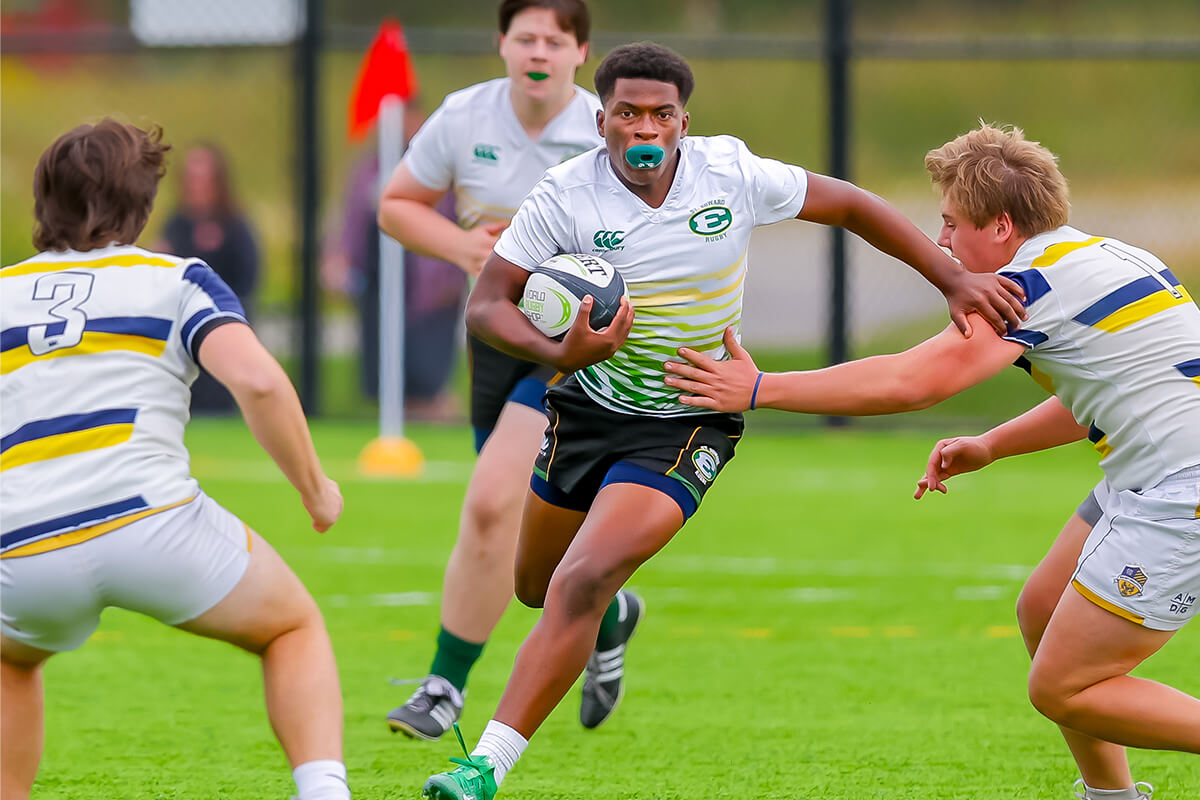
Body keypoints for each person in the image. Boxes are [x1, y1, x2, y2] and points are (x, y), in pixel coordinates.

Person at [419, 44, 1026, 800]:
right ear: (601, 118)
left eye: (662, 114)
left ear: (683, 120)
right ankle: (610, 621)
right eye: (630, 114)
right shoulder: (564, 195)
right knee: (538, 588)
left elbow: (848, 204)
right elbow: (486, 305)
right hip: (587, 405)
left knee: (580, 577)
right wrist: (559, 349)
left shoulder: (728, 174)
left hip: (692, 413)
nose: (647, 129)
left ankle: (483, 767)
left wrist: (953, 277)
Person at [664, 123, 1200, 800]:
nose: (941, 243)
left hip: (1178, 491)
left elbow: (911, 381)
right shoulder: (1107, 256)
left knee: (1064, 688)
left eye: (951, 224)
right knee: (1041, 607)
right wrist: (992, 443)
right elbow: (1110, 393)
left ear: (1001, 226)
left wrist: (762, 388)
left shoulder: (1029, 286)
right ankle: (1110, 797)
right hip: (1155, 470)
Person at [0, 120, 350, 800]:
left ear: (44, 202)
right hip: (150, 521)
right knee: (292, 626)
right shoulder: (176, 279)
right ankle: (324, 793)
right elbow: (257, 381)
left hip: (23, 542)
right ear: (142, 203)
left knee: (10, 662)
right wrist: (315, 490)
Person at [377, 0, 642, 740]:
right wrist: (466, 251)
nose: (538, 51)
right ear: (501, 43)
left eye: (554, 41)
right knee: (525, 526)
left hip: (568, 352)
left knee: (492, 504)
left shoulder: (603, 130)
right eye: (524, 37)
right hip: (492, 335)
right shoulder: (465, 117)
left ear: (580, 51)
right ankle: (612, 611)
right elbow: (396, 206)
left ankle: (442, 688)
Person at [324, 128, 467, 421]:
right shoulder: (368, 170)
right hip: (380, 289)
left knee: (427, 378)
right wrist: (338, 258)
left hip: (432, 293)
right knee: (386, 374)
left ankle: (441, 415)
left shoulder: (443, 168)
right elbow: (349, 220)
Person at [159, 143, 261, 415]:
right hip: (181, 330)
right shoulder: (176, 224)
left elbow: (248, 276)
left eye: (204, 178)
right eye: (192, 178)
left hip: (220, 326)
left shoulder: (235, 226)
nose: (198, 185)